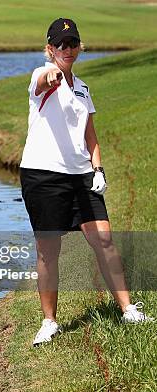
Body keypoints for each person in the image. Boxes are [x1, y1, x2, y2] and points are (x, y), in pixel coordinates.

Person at [19, 17, 153, 347]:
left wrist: (99, 169)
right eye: (61, 44)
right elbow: (44, 80)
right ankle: (49, 321)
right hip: (43, 175)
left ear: (80, 47)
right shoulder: (41, 76)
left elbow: (90, 136)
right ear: (49, 49)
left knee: (104, 240)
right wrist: (52, 73)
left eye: (73, 43)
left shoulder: (83, 88)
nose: (68, 49)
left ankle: (127, 309)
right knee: (49, 250)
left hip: (81, 175)